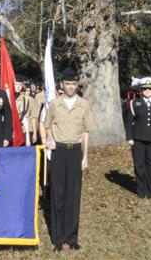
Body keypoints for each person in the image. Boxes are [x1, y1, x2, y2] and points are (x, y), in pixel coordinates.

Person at [43, 67, 94, 252]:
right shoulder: (54, 104)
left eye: (74, 84)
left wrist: (85, 156)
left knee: (74, 195)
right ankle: (57, 238)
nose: (71, 87)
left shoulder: (84, 105)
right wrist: (49, 138)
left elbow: (86, 131)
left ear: (77, 85)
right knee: (58, 194)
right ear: (62, 85)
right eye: (67, 84)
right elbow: (47, 125)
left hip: (75, 153)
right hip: (59, 152)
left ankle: (72, 237)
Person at [124, 77, 151, 199]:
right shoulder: (134, 103)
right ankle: (141, 190)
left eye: (150, 88)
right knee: (139, 165)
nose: (147, 90)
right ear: (141, 90)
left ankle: (150, 190)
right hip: (138, 140)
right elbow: (129, 122)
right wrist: (129, 138)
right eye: (145, 88)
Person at [15, 76, 39, 146]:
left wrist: (34, 133)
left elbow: (34, 117)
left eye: (20, 84)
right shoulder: (8, 99)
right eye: (16, 84)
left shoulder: (29, 99)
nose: (18, 86)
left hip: (26, 131)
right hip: (14, 132)